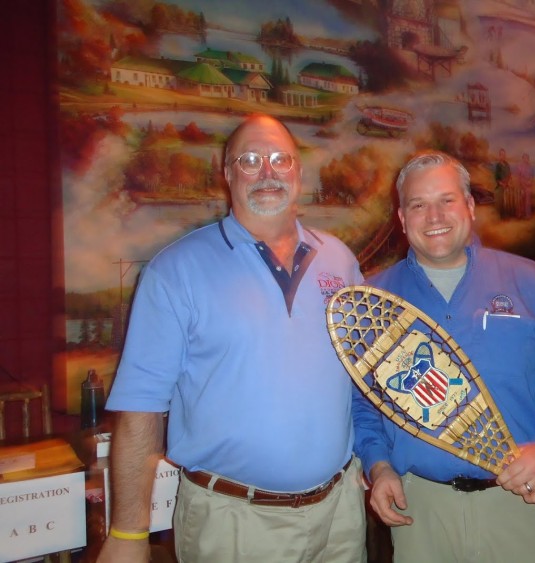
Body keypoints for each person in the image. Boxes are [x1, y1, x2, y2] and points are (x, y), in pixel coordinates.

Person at [99, 114, 366, 563]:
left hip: (340, 516)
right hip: (233, 524)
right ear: (227, 175)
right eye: (250, 160)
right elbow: (140, 409)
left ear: (299, 172)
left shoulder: (340, 260)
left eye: (281, 159)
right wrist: (128, 534)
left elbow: (363, 374)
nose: (267, 172)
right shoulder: (175, 270)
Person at [353, 151, 535, 562]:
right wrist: (379, 465)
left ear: (470, 207)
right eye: (418, 204)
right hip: (420, 511)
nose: (434, 215)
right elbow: (363, 405)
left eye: (447, 200)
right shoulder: (374, 304)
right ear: (402, 218)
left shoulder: (534, 283)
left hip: (522, 502)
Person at [493, 148, 512, 217]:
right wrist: (502, 184)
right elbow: (496, 178)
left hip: (507, 185)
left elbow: (510, 174)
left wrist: (508, 182)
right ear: (499, 156)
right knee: (499, 196)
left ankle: (508, 214)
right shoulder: (498, 166)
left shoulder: (507, 164)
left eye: (504, 155)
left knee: (510, 197)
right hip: (500, 185)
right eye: (501, 155)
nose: (503, 156)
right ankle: (500, 215)